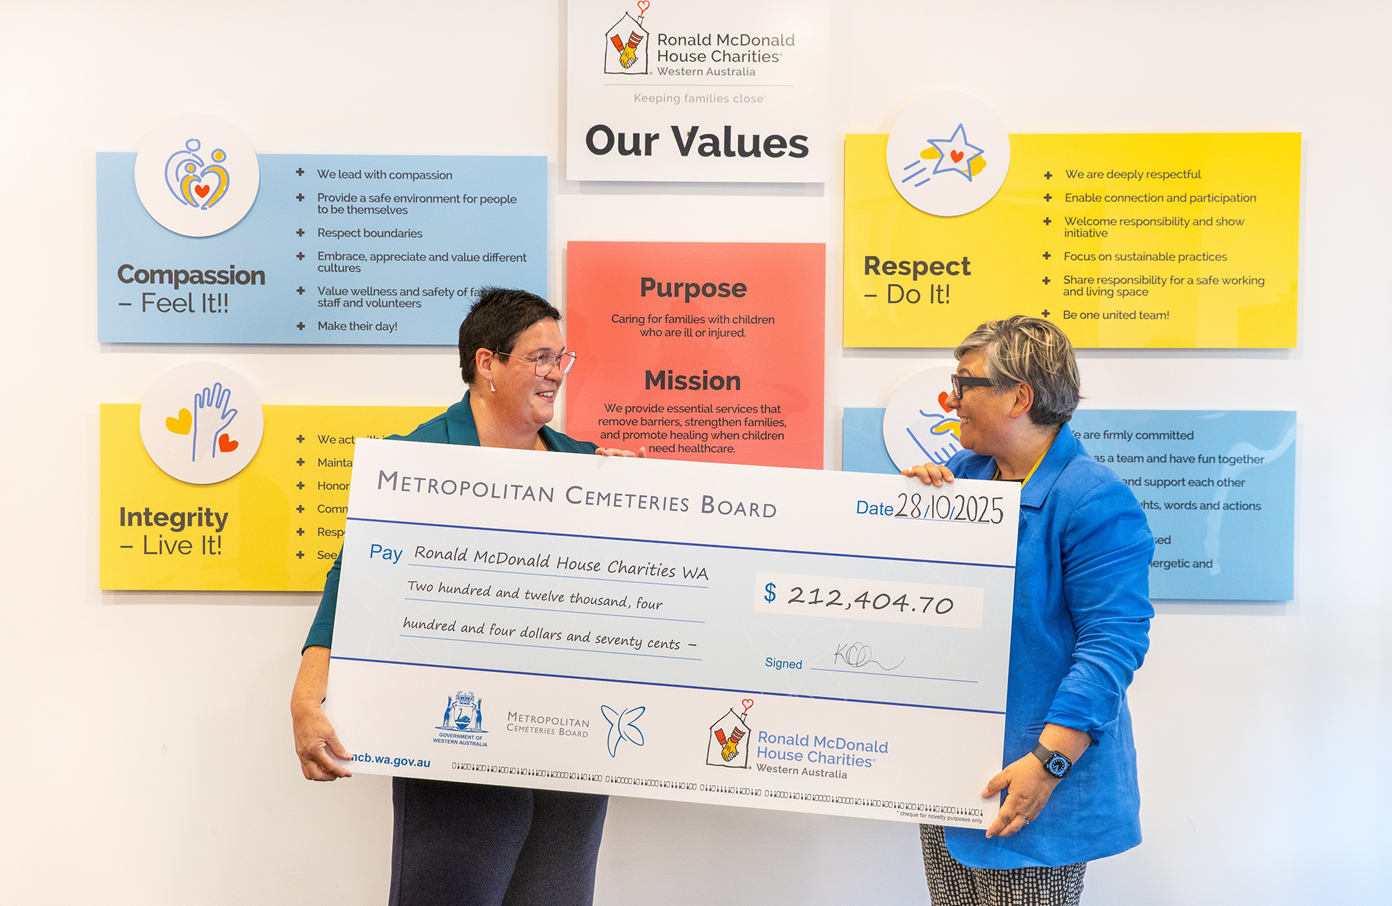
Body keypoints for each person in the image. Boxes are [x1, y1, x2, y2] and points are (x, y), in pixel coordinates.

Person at [290, 288, 640, 906]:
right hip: (455, 742)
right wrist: (306, 696)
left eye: (562, 358)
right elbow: (354, 580)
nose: (556, 372)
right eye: (540, 357)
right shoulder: (415, 461)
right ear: (487, 363)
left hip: (571, 749)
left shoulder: (590, 469)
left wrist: (638, 506)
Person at [903, 316, 1153, 906]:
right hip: (949, 771)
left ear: (1019, 397)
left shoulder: (1095, 499)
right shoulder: (962, 479)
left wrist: (1047, 764)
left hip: (1035, 778)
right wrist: (907, 515)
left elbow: (1111, 646)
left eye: (964, 384)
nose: (950, 401)